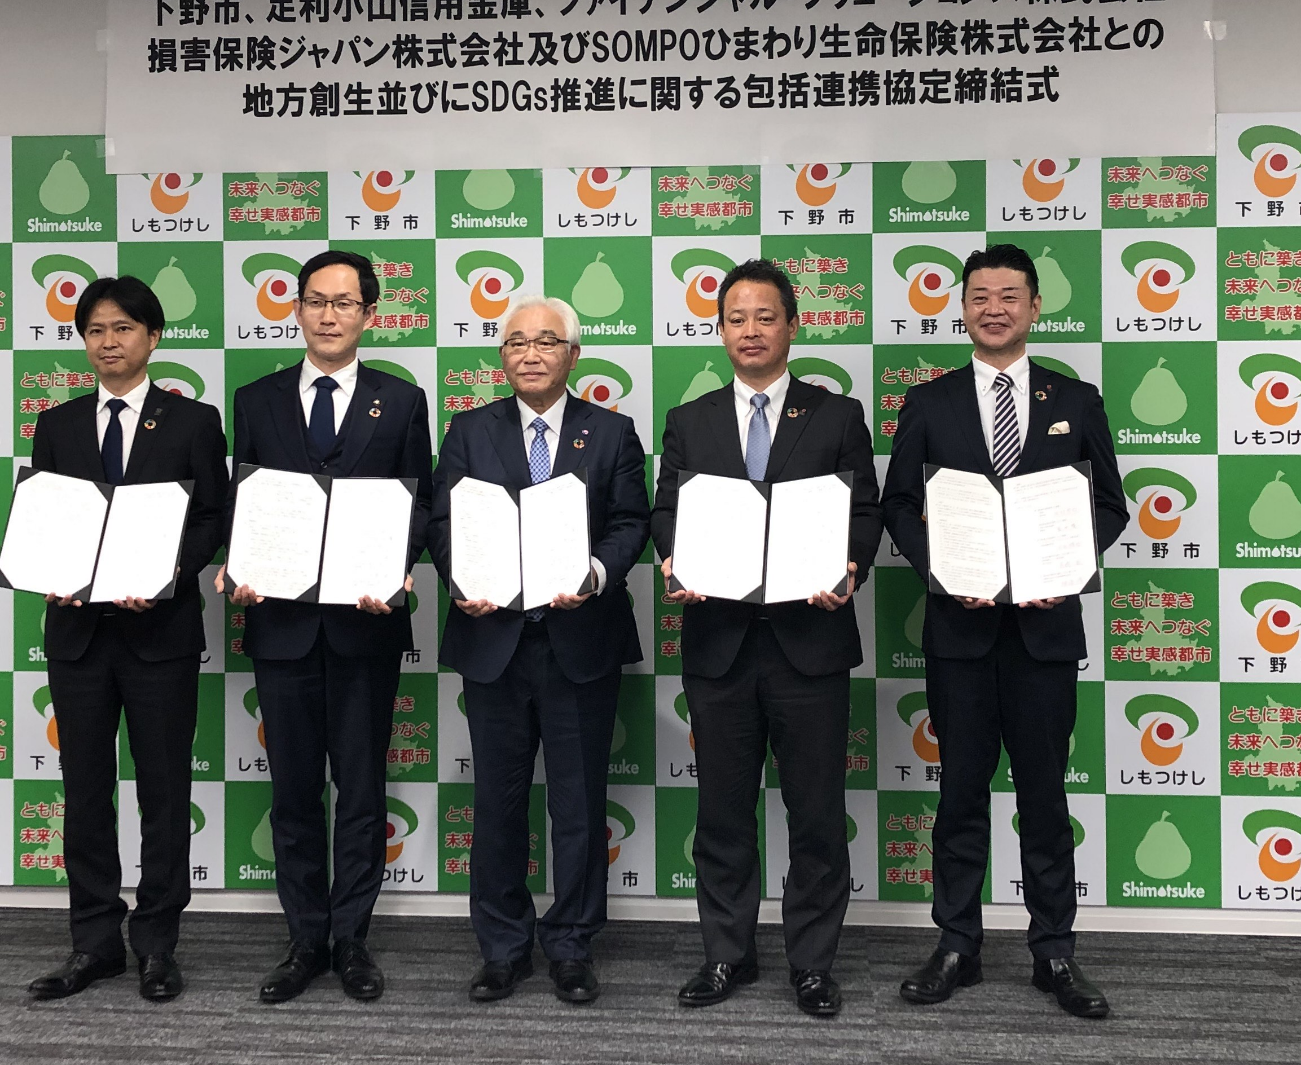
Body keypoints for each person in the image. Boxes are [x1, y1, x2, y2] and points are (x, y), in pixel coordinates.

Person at [881, 244, 1127, 1019]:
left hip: (1045, 636)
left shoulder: (1075, 399)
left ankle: (1054, 951)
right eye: (980, 296)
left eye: (1009, 296)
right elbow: (897, 505)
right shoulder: (929, 402)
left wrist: (1068, 567)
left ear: (1034, 306)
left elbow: (1110, 504)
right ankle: (957, 944)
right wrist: (941, 567)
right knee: (959, 794)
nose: (994, 308)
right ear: (962, 309)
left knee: (1045, 798)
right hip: (960, 632)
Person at [650, 258, 881, 1016]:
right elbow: (665, 512)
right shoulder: (690, 420)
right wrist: (673, 560)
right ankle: (727, 954)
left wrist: (851, 567)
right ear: (720, 331)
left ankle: (812, 963)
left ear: (792, 325)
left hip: (810, 641)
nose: (750, 331)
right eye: (736, 319)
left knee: (816, 815)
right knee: (722, 812)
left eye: (765, 317)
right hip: (719, 642)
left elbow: (866, 513)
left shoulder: (837, 416)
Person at [217, 250, 434, 1005]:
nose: (329, 314)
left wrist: (398, 567)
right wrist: (239, 565)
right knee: (294, 791)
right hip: (280, 623)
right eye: (316, 300)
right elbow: (244, 501)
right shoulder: (257, 399)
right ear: (297, 310)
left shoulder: (401, 401)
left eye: (345, 302)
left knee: (363, 789)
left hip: (365, 625)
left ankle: (352, 940)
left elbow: (420, 503)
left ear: (369, 314)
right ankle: (304, 939)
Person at [428, 296, 649, 1005]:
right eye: (516, 342)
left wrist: (595, 574)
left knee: (579, 805)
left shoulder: (611, 432)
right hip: (493, 639)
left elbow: (631, 522)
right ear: (502, 356)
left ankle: (572, 944)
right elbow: (442, 521)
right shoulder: (468, 430)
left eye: (546, 341)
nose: (530, 353)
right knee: (496, 804)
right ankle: (502, 948)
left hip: (579, 641)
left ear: (572, 356)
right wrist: (462, 577)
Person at [26, 275, 228, 1003]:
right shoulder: (57, 424)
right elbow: (46, 518)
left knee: (164, 791)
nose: (108, 343)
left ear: (153, 337)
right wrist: (47, 570)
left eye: (122, 329)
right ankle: (93, 942)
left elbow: (213, 517)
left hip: (159, 632)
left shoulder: (193, 421)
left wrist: (167, 574)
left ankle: (156, 945)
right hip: (77, 634)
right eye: (95, 331)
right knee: (84, 790)